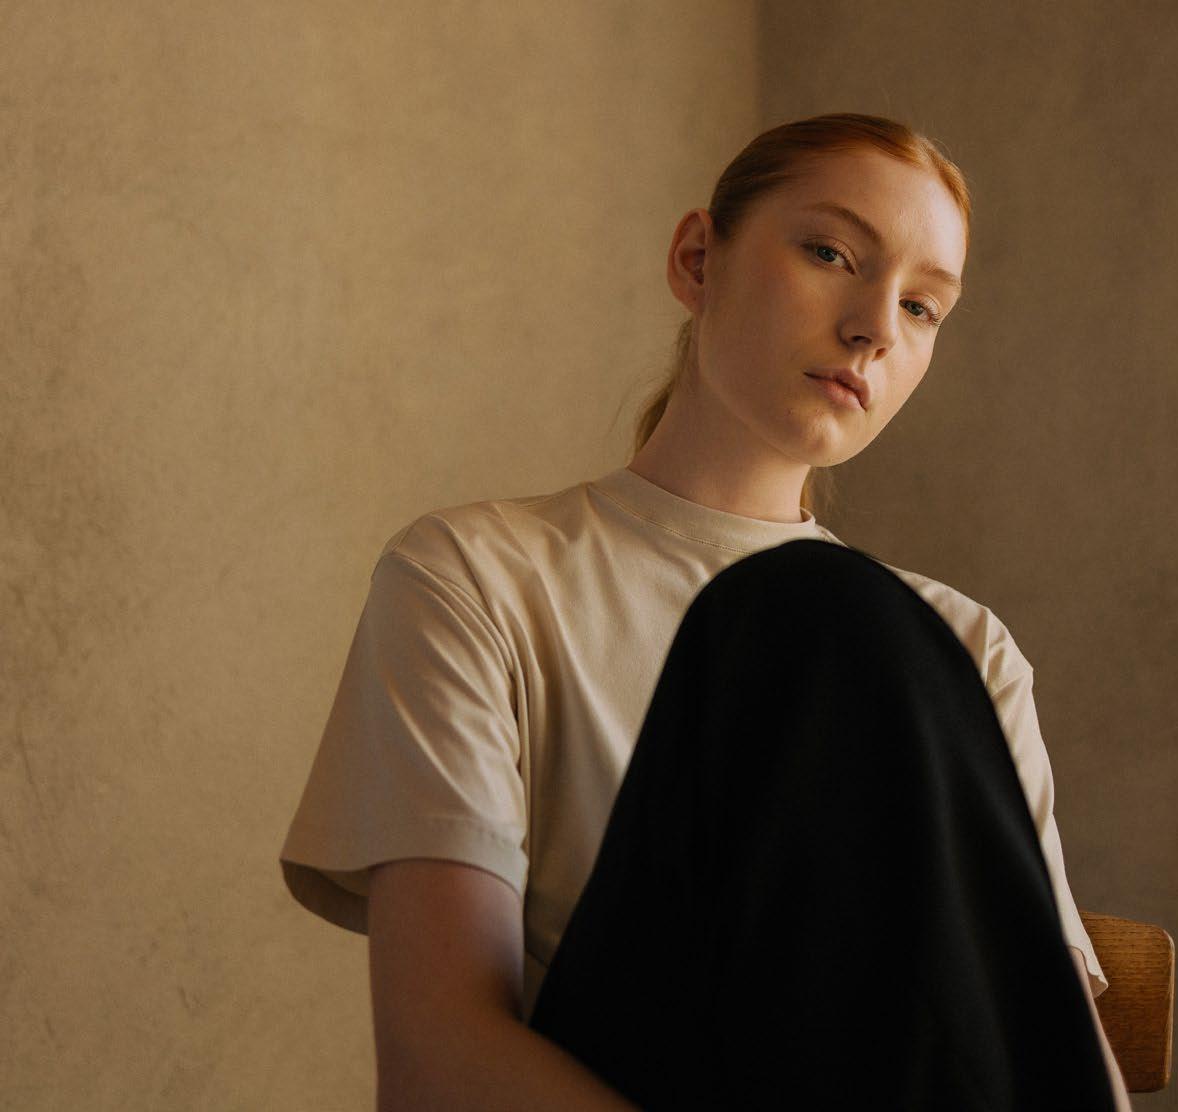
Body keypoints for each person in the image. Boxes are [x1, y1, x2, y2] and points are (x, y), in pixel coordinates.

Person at [278, 111, 1132, 1110]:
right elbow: (440, 1059)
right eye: (830, 253)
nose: (875, 328)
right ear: (697, 259)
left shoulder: (964, 648)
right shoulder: (476, 576)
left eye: (922, 306)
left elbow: (1046, 1046)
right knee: (827, 615)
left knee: (861, 626)